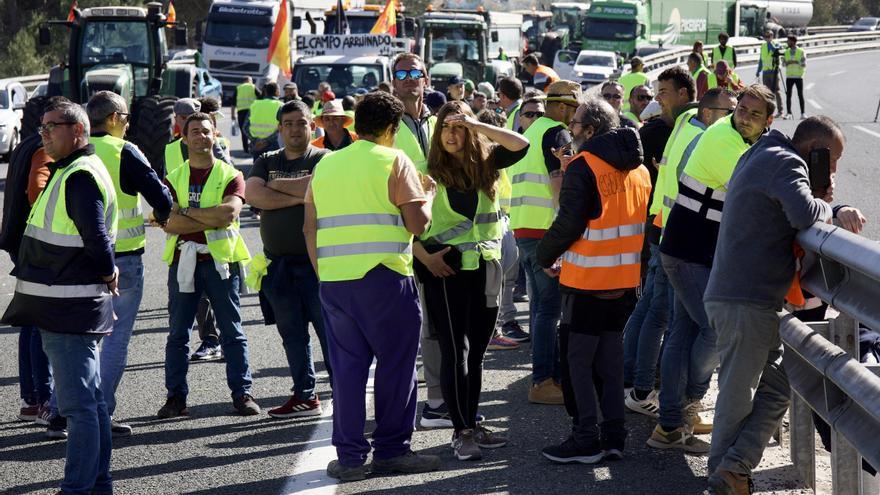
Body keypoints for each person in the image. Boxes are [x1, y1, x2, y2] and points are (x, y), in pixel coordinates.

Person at [304, 91, 442, 481]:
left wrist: (324, 273)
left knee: (347, 372)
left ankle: (348, 459)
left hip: (334, 280)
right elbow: (418, 225)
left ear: (354, 124)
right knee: (396, 368)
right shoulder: (394, 159)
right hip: (384, 278)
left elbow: (309, 227)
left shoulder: (327, 165)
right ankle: (391, 451)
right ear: (393, 129)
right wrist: (427, 195)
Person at [704, 116, 841, 494]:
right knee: (737, 392)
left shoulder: (762, 154)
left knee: (781, 382)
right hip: (745, 298)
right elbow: (804, 214)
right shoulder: (785, 162)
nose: (832, 172)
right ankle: (724, 476)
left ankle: (733, 468)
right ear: (815, 150)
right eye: (831, 163)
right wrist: (828, 206)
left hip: (747, 297)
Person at [650, 84, 775, 455]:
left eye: (754, 114)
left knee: (685, 331)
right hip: (688, 254)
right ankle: (686, 405)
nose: (745, 117)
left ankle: (670, 424)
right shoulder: (726, 142)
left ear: (768, 120)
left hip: (691, 251)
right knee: (716, 329)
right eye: (742, 110)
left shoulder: (740, 137)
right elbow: (758, 196)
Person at [2, 98, 118, 495]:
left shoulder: (79, 175)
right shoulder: (70, 169)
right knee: (91, 402)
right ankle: (97, 484)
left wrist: (109, 272)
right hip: (66, 305)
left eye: (53, 126)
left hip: (70, 308)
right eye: (42, 127)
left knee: (79, 407)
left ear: (79, 131)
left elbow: (97, 238)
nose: (44, 133)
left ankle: (78, 489)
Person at [537, 98, 651, 464]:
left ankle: (586, 437)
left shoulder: (584, 166)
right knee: (610, 361)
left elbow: (568, 224)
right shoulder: (640, 170)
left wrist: (544, 256)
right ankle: (614, 436)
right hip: (624, 281)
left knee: (578, 363)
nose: (570, 129)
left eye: (575, 124)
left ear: (589, 130)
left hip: (587, 281)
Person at [415, 100, 529, 459]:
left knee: (477, 354)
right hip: (444, 270)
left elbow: (519, 145)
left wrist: (478, 125)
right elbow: (400, 222)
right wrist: (424, 257)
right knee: (455, 352)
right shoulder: (424, 170)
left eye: (459, 126)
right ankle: (461, 430)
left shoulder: (487, 164)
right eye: (446, 126)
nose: (452, 133)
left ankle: (473, 423)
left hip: (485, 267)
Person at [158, 112, 258, 418]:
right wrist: (202, 215)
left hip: (220, 263)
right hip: (183, 261)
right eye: (195, 132)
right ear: (184, 138)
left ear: (216, 136)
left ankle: (242, 394)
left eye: (207, 131)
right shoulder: (173, 177)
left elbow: (227, 215)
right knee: (178, 333)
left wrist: (186, 211)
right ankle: (176, 398)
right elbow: (168, 222)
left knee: (232, 332)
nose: (202, 136)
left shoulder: (231, 174)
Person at [87, 91, 173, 437]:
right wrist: (165, 215)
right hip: (122, 260)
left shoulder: (75, 150)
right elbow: (161, 198)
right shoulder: (124, 151)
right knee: (115, 338)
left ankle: (63, 411)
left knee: (80, 339)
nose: (128, 123)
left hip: (79, 259)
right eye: (124, 117)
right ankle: (99, 413)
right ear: (112, 119)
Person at [246, 100, 332, 418]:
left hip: (317, 264)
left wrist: (278, 187)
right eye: (289, 123)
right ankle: (304, 395)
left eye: (302, 122)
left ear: (313, 126)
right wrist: (305, 193)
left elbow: (323, 186)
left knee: (329, 331)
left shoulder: (325, 158)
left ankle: (342, 387)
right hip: (278, 266)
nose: (296, 128)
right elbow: (253, 195)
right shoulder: (267, 159)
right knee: (292, 335)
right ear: (280, 128)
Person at [621, 67, 692, 419]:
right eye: (655, 92)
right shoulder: (671, 130)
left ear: (683, 94)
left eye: (663, 92)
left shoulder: (676, 128)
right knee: (657, 312)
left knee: (648, 306)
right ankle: (641, 386)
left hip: (658, 228)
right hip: (664, 232)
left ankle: (632, 379)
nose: (657, 98)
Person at [508, 80, 578, 405]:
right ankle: (544, 381)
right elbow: (559, 183)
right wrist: (566, 227)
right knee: (549, 307)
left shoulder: (531, 131)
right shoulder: (557, 133)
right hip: (545, 231)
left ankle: (543, 378)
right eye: (574, 110)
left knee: (539, 306)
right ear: (564, 107)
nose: (574, 117)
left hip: (523, 228)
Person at [390, 52, 448, 427]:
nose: (411, 79)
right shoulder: (388, 123)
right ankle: (423, 404)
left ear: (426, 79)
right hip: (403, 239)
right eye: (403, 73)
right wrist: (418, 250)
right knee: (410, 328)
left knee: (438, 325)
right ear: (393, 81)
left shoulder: (436, 120)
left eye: (416, 73)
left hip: (441, 231)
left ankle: (437, 400)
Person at [247, 82, 284, 160]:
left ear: (266, 92)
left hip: (256, 145)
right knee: (273, 170)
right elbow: (283, 127)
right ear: (277, 92)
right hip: (273, 144)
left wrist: (255, 141)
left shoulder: (255, 104)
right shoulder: (281, 105)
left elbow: (245, 127)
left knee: (258, 170)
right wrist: (266, 141)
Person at [756, 30, 784, 117]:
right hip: (766, 71)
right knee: (767, 92)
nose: (767, 38)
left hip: (774, 71)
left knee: (776, 91)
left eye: (769, 36)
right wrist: (758, 70)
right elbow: (761, 60)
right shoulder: (763, 46)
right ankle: (769, 111)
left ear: (772, 36)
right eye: (766, 36)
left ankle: (780, 110)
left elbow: (775, 50)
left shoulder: (776, 44)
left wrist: (770, 43)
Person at [232, 76, 259, 153]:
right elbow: (261, 96)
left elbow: (233, 103)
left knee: (243, 131)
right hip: (252, 112)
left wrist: (232, 115)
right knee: (253, 130)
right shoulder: (253, 87)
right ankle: (253, 146)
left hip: (241, 112)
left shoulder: (238, 88)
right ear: (249, 81)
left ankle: (245, 149)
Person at [783, 34, 807, 120]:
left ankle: (803, 113)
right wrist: (788, 62)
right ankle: (788, 113)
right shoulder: (786, 52)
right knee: (788, 95)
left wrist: (795, 62)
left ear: (793, 42)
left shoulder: (801, 51)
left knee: (800, 95)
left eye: (788, 41)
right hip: (789, 76)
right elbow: (783, 64)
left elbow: (804, 64)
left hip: (798, 76)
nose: (787, 42)